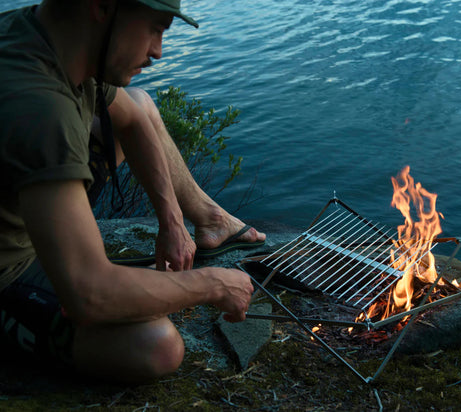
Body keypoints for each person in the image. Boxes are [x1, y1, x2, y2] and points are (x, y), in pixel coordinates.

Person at [0, 0, 266, 383]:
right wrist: (213, 284)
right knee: (154, 345)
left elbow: (135, 120)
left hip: (20, 210)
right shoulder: (39, 107)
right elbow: (89, 295)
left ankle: (211, 221)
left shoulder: (43, 36)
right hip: (8, 269)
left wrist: (172, 222)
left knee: (137, 104)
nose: (158, 50)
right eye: (156, 28)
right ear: (101, 7)